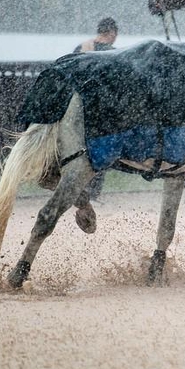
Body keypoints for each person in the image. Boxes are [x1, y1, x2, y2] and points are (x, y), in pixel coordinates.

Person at [70, 17, 118, 233]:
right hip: (99, 113)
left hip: (74, 108)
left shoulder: (81, 47)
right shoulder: (112, 51)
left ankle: (79, 194)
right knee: (98, 158)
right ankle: (90, 195)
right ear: (113, 32)